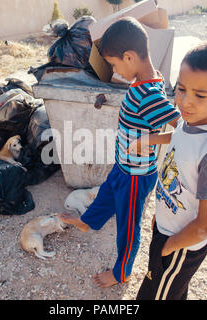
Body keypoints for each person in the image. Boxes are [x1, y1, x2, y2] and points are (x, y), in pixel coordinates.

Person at [59, 17, 181, 288]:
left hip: (137, 175)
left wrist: (152, 138)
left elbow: (185, 130)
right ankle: (87, 222)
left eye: (114, 64)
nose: (114, 71)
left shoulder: (149, 95)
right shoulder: (149, 80)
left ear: (129, 57)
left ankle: (121, 273)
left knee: (128, 228)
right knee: (105, 195)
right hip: (124, 166)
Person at [133, 39, 207, 300]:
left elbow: (206, 225)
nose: (184, 102)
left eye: (200, 95)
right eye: (181, 89)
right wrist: (152, 139)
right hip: (168, 229)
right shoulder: (192, 121)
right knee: (172, 292)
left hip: (180, 246)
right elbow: (181, 137)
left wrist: (168, 246)